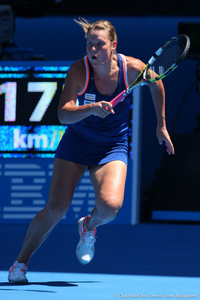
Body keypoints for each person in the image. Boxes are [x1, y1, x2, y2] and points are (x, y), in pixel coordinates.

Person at [8, 18, 175, 284]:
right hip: (76, 144)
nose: (93, 51)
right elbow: (63, 115)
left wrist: (161, 125)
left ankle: (88, 226)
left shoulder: (132, 69)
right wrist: (91, 108)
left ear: (113, 46)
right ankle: (20, 264)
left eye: (100, 45)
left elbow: (157, 83)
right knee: (56, 208)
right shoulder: (78, 70)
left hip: (112, 146)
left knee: (110, 207)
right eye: (89, 45)